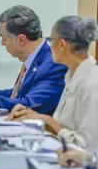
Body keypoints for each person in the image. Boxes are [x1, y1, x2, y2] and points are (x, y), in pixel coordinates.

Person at [8, 16, 98, 151]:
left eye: (51, 40)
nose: (49, 46)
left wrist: (48, 121)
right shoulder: (72, 75)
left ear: (62, 44)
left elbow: (87, 147)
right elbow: (62, 127)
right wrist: (33, 115)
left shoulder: (92, 82)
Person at [0, 5, 67, 114]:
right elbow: (20, 93)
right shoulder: (38, 55)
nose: (2, 43)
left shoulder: (54, 62)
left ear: (21, 40)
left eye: (4, 39)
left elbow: (30, 104)